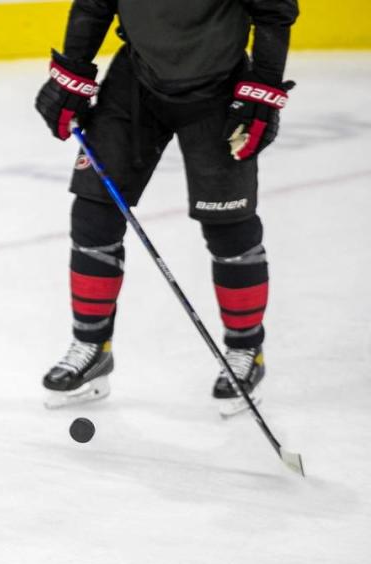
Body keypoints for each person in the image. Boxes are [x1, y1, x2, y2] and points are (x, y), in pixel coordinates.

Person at [34, 0, 298, 411]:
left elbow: (274, 10)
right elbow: (94, 4)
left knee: (229, 226)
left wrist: (263, 87)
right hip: (137, 82)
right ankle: (92, 348)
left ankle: (247, 352)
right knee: (93, 213)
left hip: (220, 87)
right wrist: (72, 71)